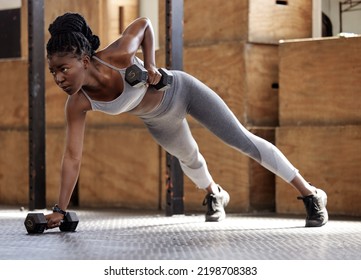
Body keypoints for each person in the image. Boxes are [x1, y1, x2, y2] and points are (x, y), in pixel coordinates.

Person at [45, 13, 328, 229]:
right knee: (190, 157)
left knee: (241, 139)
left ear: (83, 60)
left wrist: (152, 65)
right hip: (158, 119)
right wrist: (60, 209)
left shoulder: (117, 56)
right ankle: (215, 193)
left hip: (182, 90)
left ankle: (311, 194)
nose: (58, 78)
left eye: (63, 69)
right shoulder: (79, 103)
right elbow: (72, 157)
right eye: (53, 71)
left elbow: (144, 24)